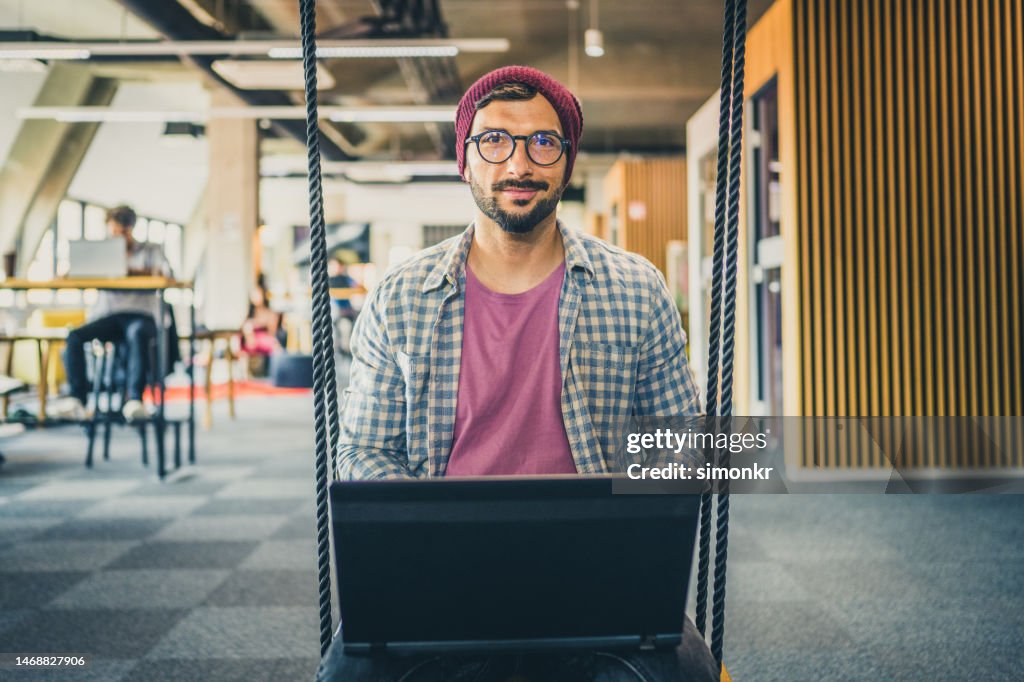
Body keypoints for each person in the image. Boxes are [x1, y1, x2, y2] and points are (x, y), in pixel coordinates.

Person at [319, 66, 716, 681]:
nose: (519, 165)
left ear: (566, 160)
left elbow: (682, 447)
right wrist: (429, 535)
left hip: (596, 578)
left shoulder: (637, 289)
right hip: (438, 577)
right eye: (495, 141)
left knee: (683, 674)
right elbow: (365, 450)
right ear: (466, 160)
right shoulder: (400, 297)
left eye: (543, 142)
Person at [57, 205, 172, 422]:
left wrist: (124, 271)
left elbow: (166, 275)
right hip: (110, 316)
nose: (116, 237)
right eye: (113, 232)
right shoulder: (100, 254)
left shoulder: (151, 251)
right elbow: (69, 275)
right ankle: (77, 399)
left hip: (142, 315)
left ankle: (134, 400)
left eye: (121, 232)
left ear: (131, 230)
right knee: (74, 336)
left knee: (136, 333)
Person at [240, 275, 283, 375]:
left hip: (265, 339)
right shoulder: (250, 314)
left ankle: (277, 371)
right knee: (246, 329)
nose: (255, 297)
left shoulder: (269, 313)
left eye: (258, 294)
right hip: (251, 340)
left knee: (274, 344)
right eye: (254, 294)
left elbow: (272, 331)